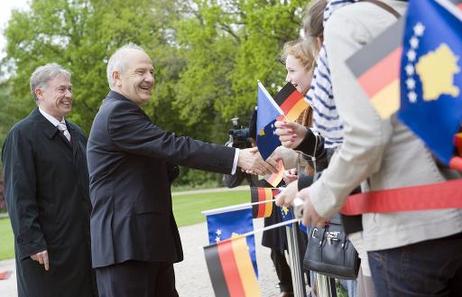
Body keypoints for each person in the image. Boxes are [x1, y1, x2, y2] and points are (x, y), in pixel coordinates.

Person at [291, 1, 462, 296]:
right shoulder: (427, 10)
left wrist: (322, 196)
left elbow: (368, 139)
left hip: (407, 231)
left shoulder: (351, 23)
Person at [86, 43, 278, 297]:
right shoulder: (117, 113)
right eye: (141, 72)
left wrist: (238, 155)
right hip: (127, 248)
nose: (150, 79)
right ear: (117, 77)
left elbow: (168, 159)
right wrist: (236, 157)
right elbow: (174, 146)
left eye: (152, 72)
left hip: (145, 245)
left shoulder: (128, 113)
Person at [1, 63, 96, 297]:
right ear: (39, 93)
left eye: (70, 89)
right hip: (47, 252)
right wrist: (33, 243)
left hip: (83, 246)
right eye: (61, 89)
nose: (69, 95)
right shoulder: (22, 135)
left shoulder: (77, 133)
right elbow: (18, 196)